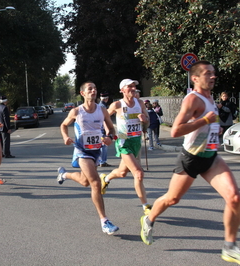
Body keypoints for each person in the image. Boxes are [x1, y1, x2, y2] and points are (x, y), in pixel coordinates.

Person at [139, 61, 240, 265]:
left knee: (235, 197)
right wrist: (204, 121)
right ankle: (148, 220)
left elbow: (208, 124)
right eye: (207, 73)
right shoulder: (192, 99)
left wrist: (215, 128)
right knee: (172, 199)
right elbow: (176, 130)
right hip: (191, 158)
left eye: (213, 73)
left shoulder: (211, 97)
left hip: (211, 156)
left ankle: (229, 247)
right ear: (195, 78)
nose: (212, 76)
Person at [57, 81, 119, 235]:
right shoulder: (77, 111)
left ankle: (63, 174)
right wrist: (65, 137)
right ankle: (104, 221)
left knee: (85, 182)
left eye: (95, 88)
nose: (93, 90)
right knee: (96, 183)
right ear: (83, 93)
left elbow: (111, 128)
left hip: (96, 151)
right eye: (90, 89)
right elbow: (63, 125)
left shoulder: (102, 110)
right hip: (81, 151)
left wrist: (110, 137)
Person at [102, 79, 151, 215]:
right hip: (123, 142)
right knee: (138, 173)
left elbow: (148, 122)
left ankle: (105, 179)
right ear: (122, 90)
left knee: (122, 173)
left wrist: (144, 119)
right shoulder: (117, 104)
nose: (133, 88)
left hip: (136, 141)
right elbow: (103, 117)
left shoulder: (140, 103)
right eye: (129, 86)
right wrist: (109, 132)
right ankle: (146, 206)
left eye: (134, 86)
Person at [98, 92, 111, 167]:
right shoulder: (103, 107)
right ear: (106, 99)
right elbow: (104, 119)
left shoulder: (99, 106)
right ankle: (102, 161)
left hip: (99, 128)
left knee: (101, 145)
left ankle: (100, 160)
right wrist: (107, 129)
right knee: (104, 145)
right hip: (102, 129)